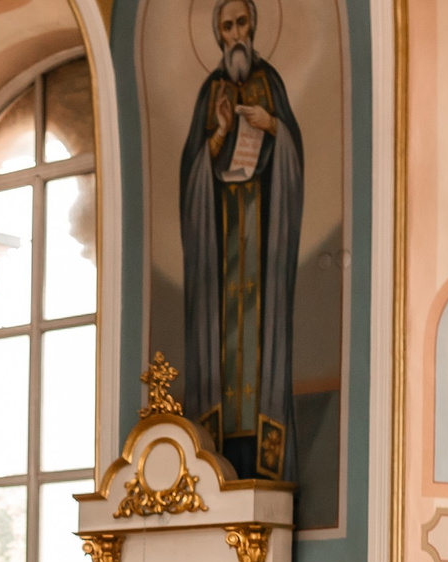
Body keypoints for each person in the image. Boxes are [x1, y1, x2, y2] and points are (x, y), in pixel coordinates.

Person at [180, 0, 304, 481]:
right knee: (222, 342)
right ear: (217, 35)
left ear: (254, 27)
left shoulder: (270, 83)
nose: (236, 34)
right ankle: (216, 456)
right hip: (221, 241)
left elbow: (292, 153)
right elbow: (192, 172)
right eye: (226, 26)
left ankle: (264, 457)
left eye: (242, 23)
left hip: (261, 235)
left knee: (259, 339)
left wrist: (272, 127)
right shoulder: (208, 94)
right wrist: (223, 132)